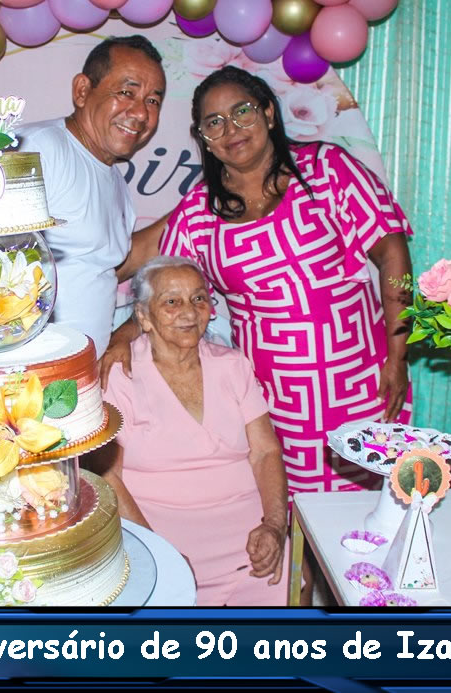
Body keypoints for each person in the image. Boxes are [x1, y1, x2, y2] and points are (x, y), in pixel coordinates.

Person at [100, 65, 414, 497]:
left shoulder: (326, 169)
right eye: (214, 122)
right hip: (274, 397)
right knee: (296, 513)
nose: (231, 129)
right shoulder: (199, 212)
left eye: (242, 111)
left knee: (377, 507)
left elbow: (392, 251)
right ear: (203, 137)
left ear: (267, 112)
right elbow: (162, 294)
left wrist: (398, 355)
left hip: (364, 380)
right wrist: (121, 337)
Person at [98, 256, 289, 606]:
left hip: (250, 533)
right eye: (171, 302)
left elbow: (266, 452)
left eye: (198, 298)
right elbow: (107, 476)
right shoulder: (120, 376)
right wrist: (157, 553)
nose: (188, 311)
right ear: (143, 316)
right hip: (160, 532)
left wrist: (276, 525)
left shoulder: (233, 365)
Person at [13, 35, 166, 357]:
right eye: (127, 92)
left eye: (153, 101)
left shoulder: (117, 183)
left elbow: (101, 270)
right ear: (82, 91)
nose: (141, 113)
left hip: (80, 374)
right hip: (24, 373)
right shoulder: (37, 149)